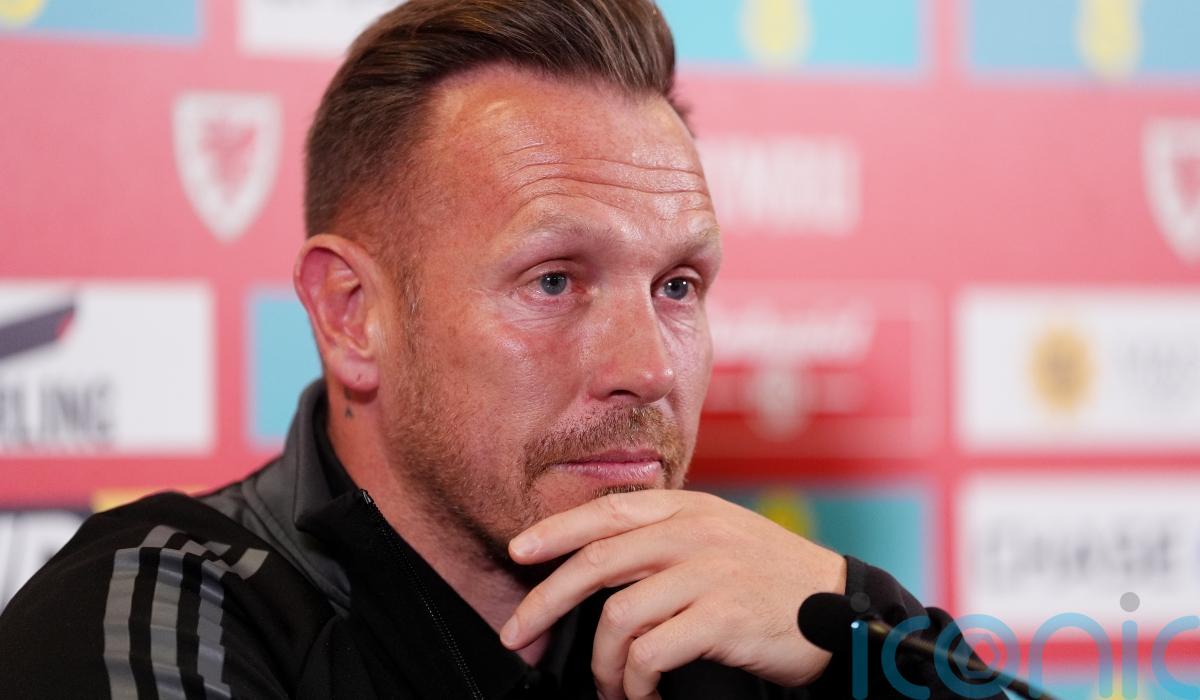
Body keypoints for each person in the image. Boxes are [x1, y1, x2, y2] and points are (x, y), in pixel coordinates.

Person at [0, 1, 1002, 698]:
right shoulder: (162, 612)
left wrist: (862, 635)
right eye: (554, 281)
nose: (650, 369)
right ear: (351, 314)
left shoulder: (751, 623)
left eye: (677, 287)